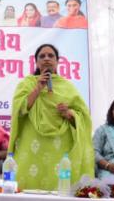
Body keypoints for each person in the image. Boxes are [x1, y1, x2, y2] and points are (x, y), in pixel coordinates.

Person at [8, 44, 93, 190]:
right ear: (36, 62)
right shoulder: (27, 84)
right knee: (28, 191)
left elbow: (83, 118)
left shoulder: (68, 87)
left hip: (60, 148)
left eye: (50, 56)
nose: (46, 59)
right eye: (42, 56)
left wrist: (69, 113)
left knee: (59, 191)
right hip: (31, 145)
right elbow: (19, 111)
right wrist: (38, 88)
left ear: (57, 61)